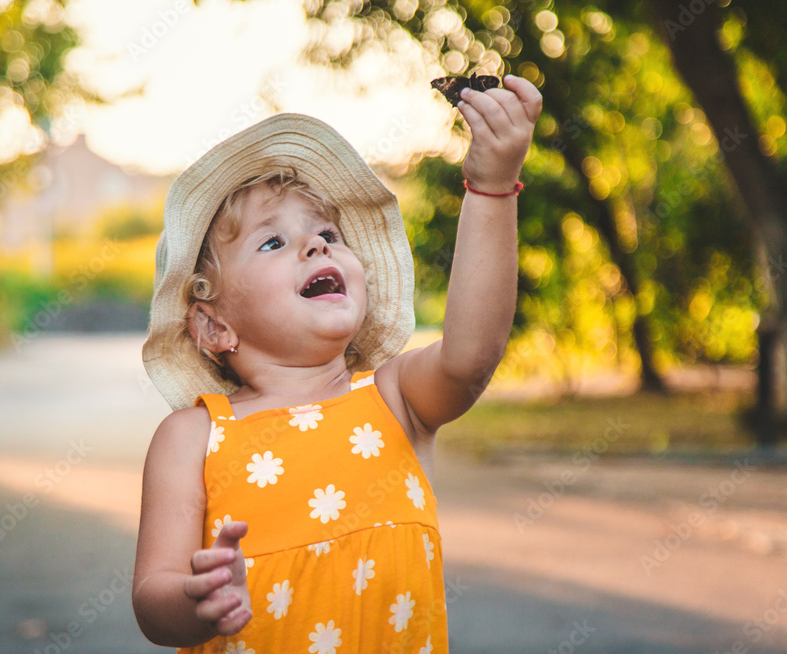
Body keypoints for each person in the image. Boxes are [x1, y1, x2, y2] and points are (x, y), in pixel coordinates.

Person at [133, 76, 541, 652]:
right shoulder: (193, 437)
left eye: (326, 233)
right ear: (213, 325)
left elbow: (472, 356)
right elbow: (153, 593)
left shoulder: (396, 398)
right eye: (272, 243)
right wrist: (197, 602)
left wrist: (492, 186)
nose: (317, 245)